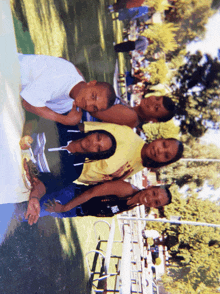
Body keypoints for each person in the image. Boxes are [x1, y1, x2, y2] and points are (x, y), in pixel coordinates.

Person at [23, 173, 172, 225]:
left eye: (156, 202)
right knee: (27, 212)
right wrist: (64, 207)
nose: (152, 199)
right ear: (152, 187)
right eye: (154, 194)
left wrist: (67, 211)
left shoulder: (134, 203)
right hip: (69, 199)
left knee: (27, 210)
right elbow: (92, 193)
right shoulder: (126, 189)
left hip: (73, 210)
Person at [18, 53, 116, 125]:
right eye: (93, 96)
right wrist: (64, 120)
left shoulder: (68, 105)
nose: (88, 103)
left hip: (15, 93)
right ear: (91, 83)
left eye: (94, 107)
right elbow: (27, 103)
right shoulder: (61, 77)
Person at [74, 122, 183, 185]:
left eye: (166, 155)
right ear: (159, 139)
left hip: (70, 177)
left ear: (163, 162)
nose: (160, 150)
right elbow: (85, 128)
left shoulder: (139, 166)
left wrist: (115, 181)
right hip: (67, 157)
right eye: (164, 144)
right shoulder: (127, 134)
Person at [20, 122, 117, 193]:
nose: (93, 143)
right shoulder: (68, 125)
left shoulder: (74, 171)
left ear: (97, 155)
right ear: (94, 132)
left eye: (98, 148)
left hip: (20, 171)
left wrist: (32, 176)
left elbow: (44, 186)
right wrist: (26, 134)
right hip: (16, 140)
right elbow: (33, 121)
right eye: (98, 138)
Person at [90, 95, 176, 128]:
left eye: (156, 108)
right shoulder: (131, 110)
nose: (152, 101)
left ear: (153, 120)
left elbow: (92, 109)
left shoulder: (130, 117)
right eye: (157, 98)